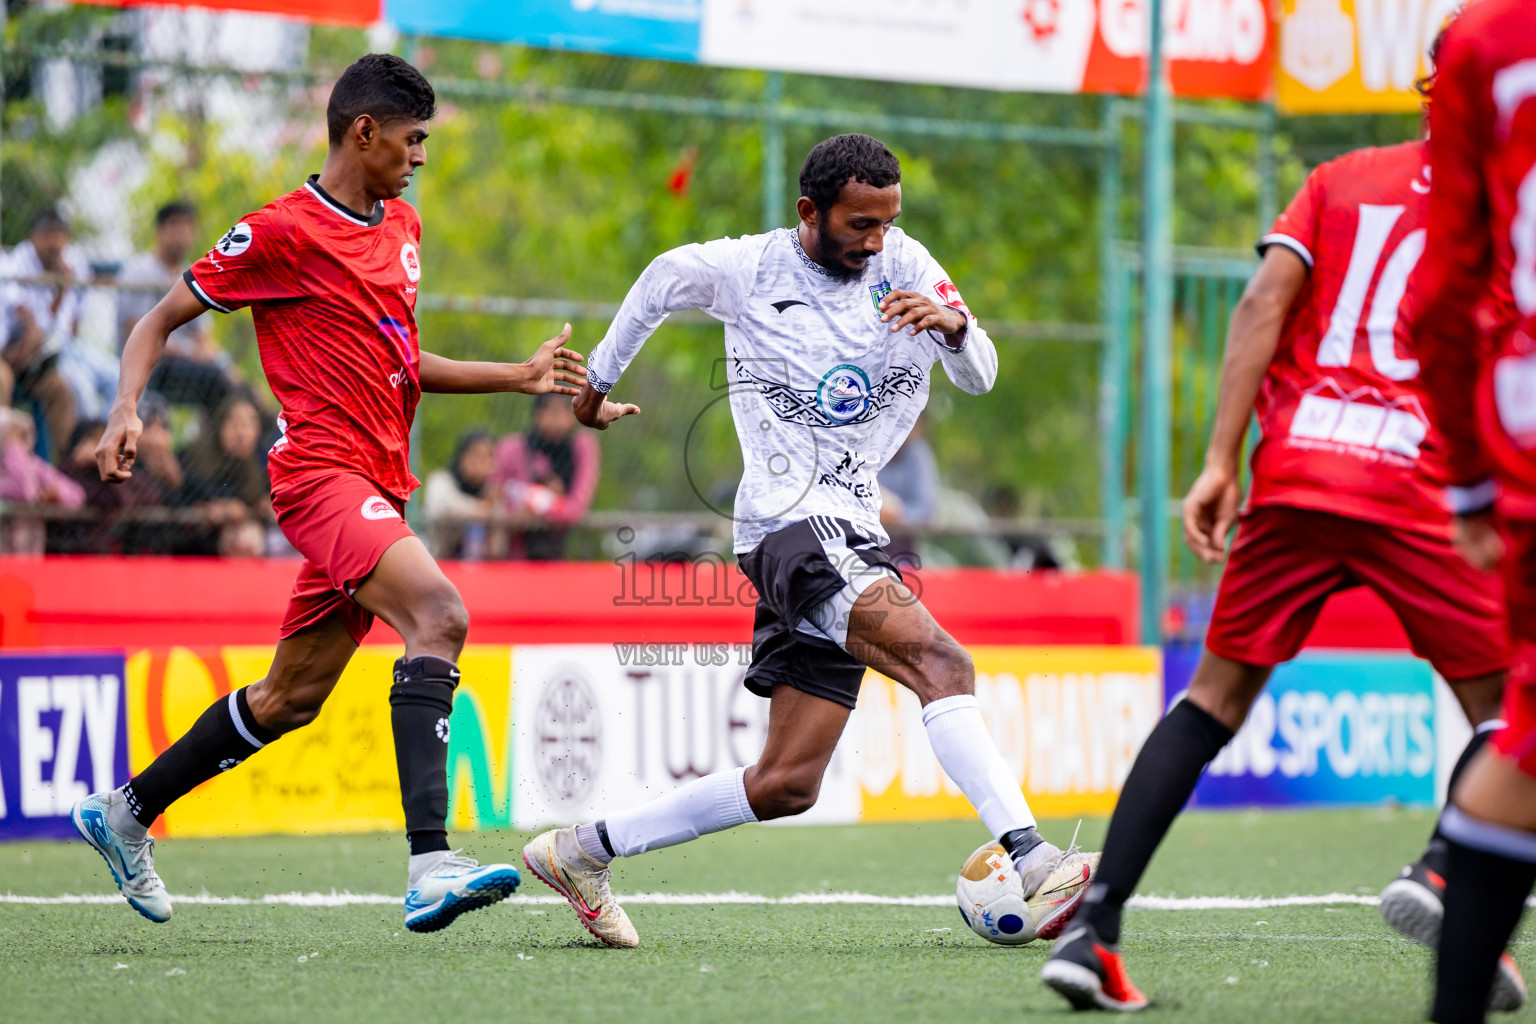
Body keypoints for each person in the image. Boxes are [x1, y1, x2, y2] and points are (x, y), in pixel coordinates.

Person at [522, 133, 1097, 949]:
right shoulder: (749, 269)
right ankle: (1032, 857)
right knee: (944, 664)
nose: (876, 241)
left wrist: (955, 325)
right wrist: (593, 394)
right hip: (790, 527)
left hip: (855, 529)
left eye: (888, 222)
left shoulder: (903, 261)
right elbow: (657, 281)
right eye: (860, 224)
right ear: (809, 212)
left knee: (788, 782)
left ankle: (583, 851)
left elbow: (981, 375)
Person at [69, 53, 586, 934]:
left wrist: (520, 375)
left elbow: (401, 361)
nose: (420, 156)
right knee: (440, 614)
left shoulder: (404, 229)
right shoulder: (280, 232)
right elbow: (158, 320)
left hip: (379, 483)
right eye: (413, 140)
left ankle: (122, 814)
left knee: (289, 698)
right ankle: (431, 863)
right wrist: (125, 408)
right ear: (364, 132)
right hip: (318, 477)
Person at [1041, 118, 1521, 1012]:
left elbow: (1263, 303)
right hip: (1419, 477)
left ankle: (1091, 930)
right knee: (1511, 709)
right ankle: (1451, 875)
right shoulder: (1505, 209)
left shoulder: (1339, 179)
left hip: (1300, 465)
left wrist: (1221, 459)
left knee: (1213, 700)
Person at [1409, 4, 1536, 1021]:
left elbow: (1443, 294)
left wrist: (1469, 479)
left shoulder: (1487, 44)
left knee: (1526, 724)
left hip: (1524, 428)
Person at [118, 200, 236, 411]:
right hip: (150, 364)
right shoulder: (139, 271)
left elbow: (204, 339)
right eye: (175, 226)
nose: (181, 234)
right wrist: (193, 353)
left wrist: (230, 368)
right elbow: (136, 333)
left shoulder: (192, 273)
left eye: (186, 227)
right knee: (218, 380)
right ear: (160, 231)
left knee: (241, 391)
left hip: (185, 364)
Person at [0, 208, 85, 457]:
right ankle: (7, 468)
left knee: (61, 389)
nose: (54, 243)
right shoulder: (17, 262)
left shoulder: (8, 263)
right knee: (2, 378)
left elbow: (41, 329)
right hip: (7, 361)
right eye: (47, 234)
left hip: (20, 358)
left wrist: (60, 292)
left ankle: (71, 475)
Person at [492, 392, 598, 559]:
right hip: (513, 553)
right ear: (537, 414)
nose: (557, 419)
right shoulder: (512, 448)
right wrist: (519, 512)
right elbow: (493, 495)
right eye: (550, 411)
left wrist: (546, 505)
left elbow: (577, 508)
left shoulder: (581, 447)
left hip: (560, 550)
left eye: (564, 410)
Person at [176, 395, 272, 556]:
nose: (242, 433)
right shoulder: (195, 457)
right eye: (235, 424)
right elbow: (192, 491)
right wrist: (225, 507)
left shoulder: (258, 463)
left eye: (249, 425)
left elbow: (253, 497)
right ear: (220, 425)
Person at [0, 407, 84, 553]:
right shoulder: (19, 463)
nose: (21, 442)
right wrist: (12, 445)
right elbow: (23, 491)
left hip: (27, 558)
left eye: (23, 436)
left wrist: (57, 495)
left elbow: (77, 495)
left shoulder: (33, 465)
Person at [421, 428, 495, 559]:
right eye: (475, 454)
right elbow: (441, 508)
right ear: (461, 455)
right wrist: (478, 509)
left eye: (488, 456)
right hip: (439, 559)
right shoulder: (441, 480)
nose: (481, 462)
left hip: (483, 565)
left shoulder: (492, 489)